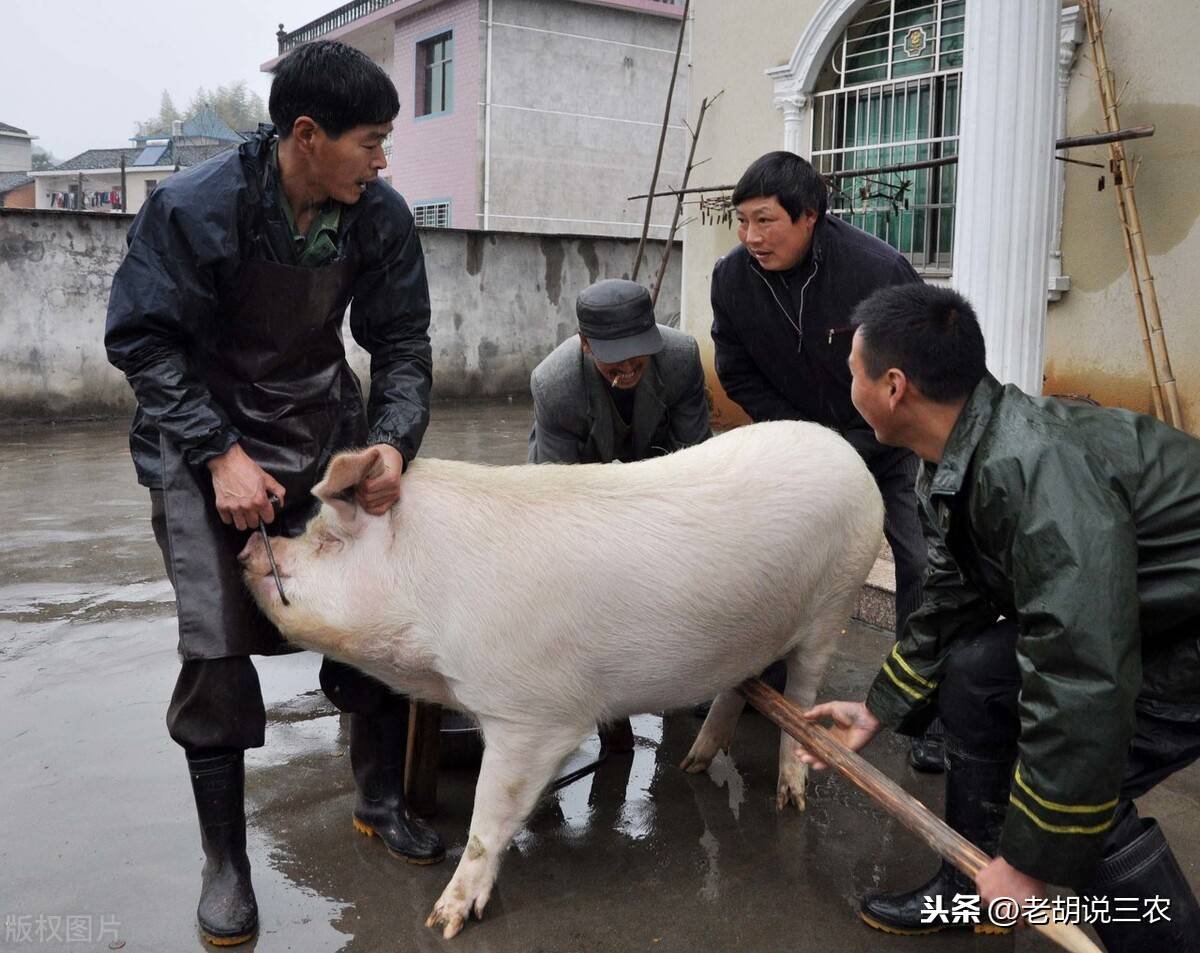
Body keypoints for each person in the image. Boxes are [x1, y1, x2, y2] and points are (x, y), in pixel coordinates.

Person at [105, 41, 442, 947]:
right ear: (306, 135)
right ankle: (225, 861)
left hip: (321, 430)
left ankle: (377, 794)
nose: (382, 160)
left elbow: (402, 341)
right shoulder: (195, 207)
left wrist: (391, 443)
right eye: (371, 141)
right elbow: (142, 343)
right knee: (217, 647)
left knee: (383, 615)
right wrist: (218, 453)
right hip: (199, 441)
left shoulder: (378, 216)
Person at [803, 282, 1200, 951]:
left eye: (853, 373)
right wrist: (880, 707)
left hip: (1185, 635)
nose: (850, 384)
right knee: (977, 669)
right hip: (1146, 608)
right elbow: (956, 596)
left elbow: (1080, 666)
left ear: (894, 386)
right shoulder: (969, 450)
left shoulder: (1036, 466)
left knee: (1076, 808)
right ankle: (973, 889)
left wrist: (1030, 857)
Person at [710, 150, 943, 771]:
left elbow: (917, 368)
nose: (751, 238)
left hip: (885, 447)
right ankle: (767, 675)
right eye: (742, 221)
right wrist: (800, 435)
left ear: (809, 215)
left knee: (920, 561)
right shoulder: (732, 279)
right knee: (771, 555)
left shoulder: (877, 270)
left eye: (765, 221)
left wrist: (868, 436)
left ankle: (926, 712)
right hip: (799, 453)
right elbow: (735, 368)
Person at [528, 278, 711, 465]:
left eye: (637, 351)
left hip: (659, 473)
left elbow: (695, 461)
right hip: (585, 477)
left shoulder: (681, 359)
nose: (627, 366)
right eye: (615, 355)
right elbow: (559, 485)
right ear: (585, 343)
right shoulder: (552, 387)